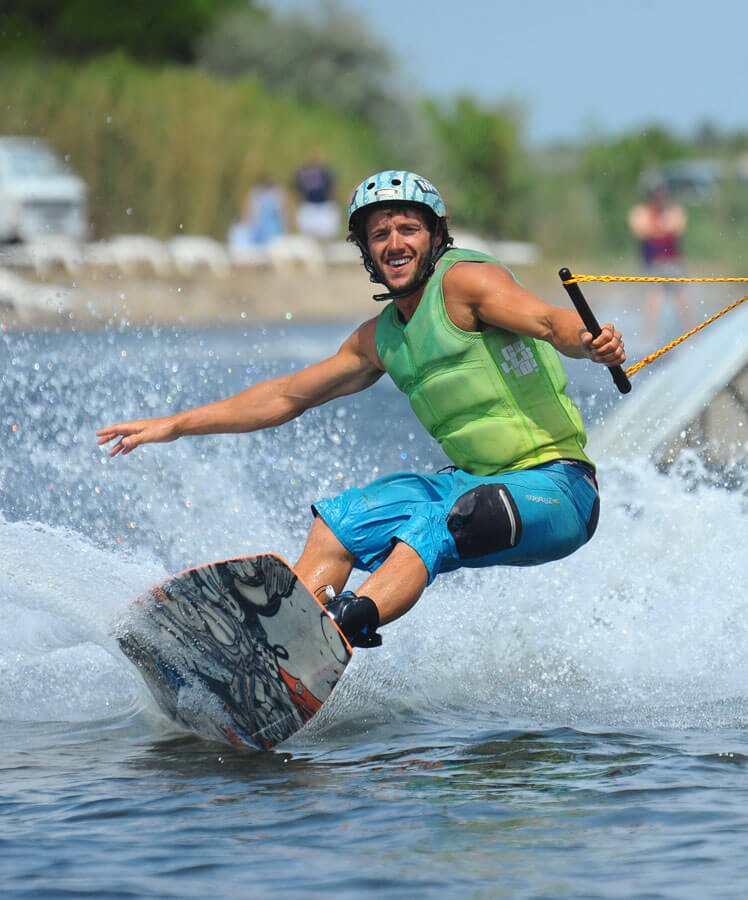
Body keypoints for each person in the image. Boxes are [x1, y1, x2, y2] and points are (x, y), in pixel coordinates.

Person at [98, 170, 625, 649]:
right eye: (379, 235)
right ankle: (277, 649)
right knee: (341, 524)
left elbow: (547, 320)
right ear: (367, 254)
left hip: (560, 492)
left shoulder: (468, 282)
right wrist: (176, 423)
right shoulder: (380, 339)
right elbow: (285, 396)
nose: (394, 243)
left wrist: (588, 339)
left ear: (436, 237)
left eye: (408, 229)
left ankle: (346, 623)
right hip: (473, 485)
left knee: (439, 519)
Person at [627, 181, 693, 344]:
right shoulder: (641, 212)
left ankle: (693, 335)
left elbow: (678, 227)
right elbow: (640, 231)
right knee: (653, 302)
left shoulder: (674, 211)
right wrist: (660, 227)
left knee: (682, 299)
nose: (661, 199)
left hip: (672, 262)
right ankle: (648, 341)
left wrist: (658, 228)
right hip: (652, 263)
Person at [292, 151, 339, 241]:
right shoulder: (302, 173)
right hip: (308, 206)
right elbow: (296, 189)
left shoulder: (326, 173)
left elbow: (332, 189)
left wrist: (333, 204)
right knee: (307, 237)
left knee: (326, 234)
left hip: (323, 206)